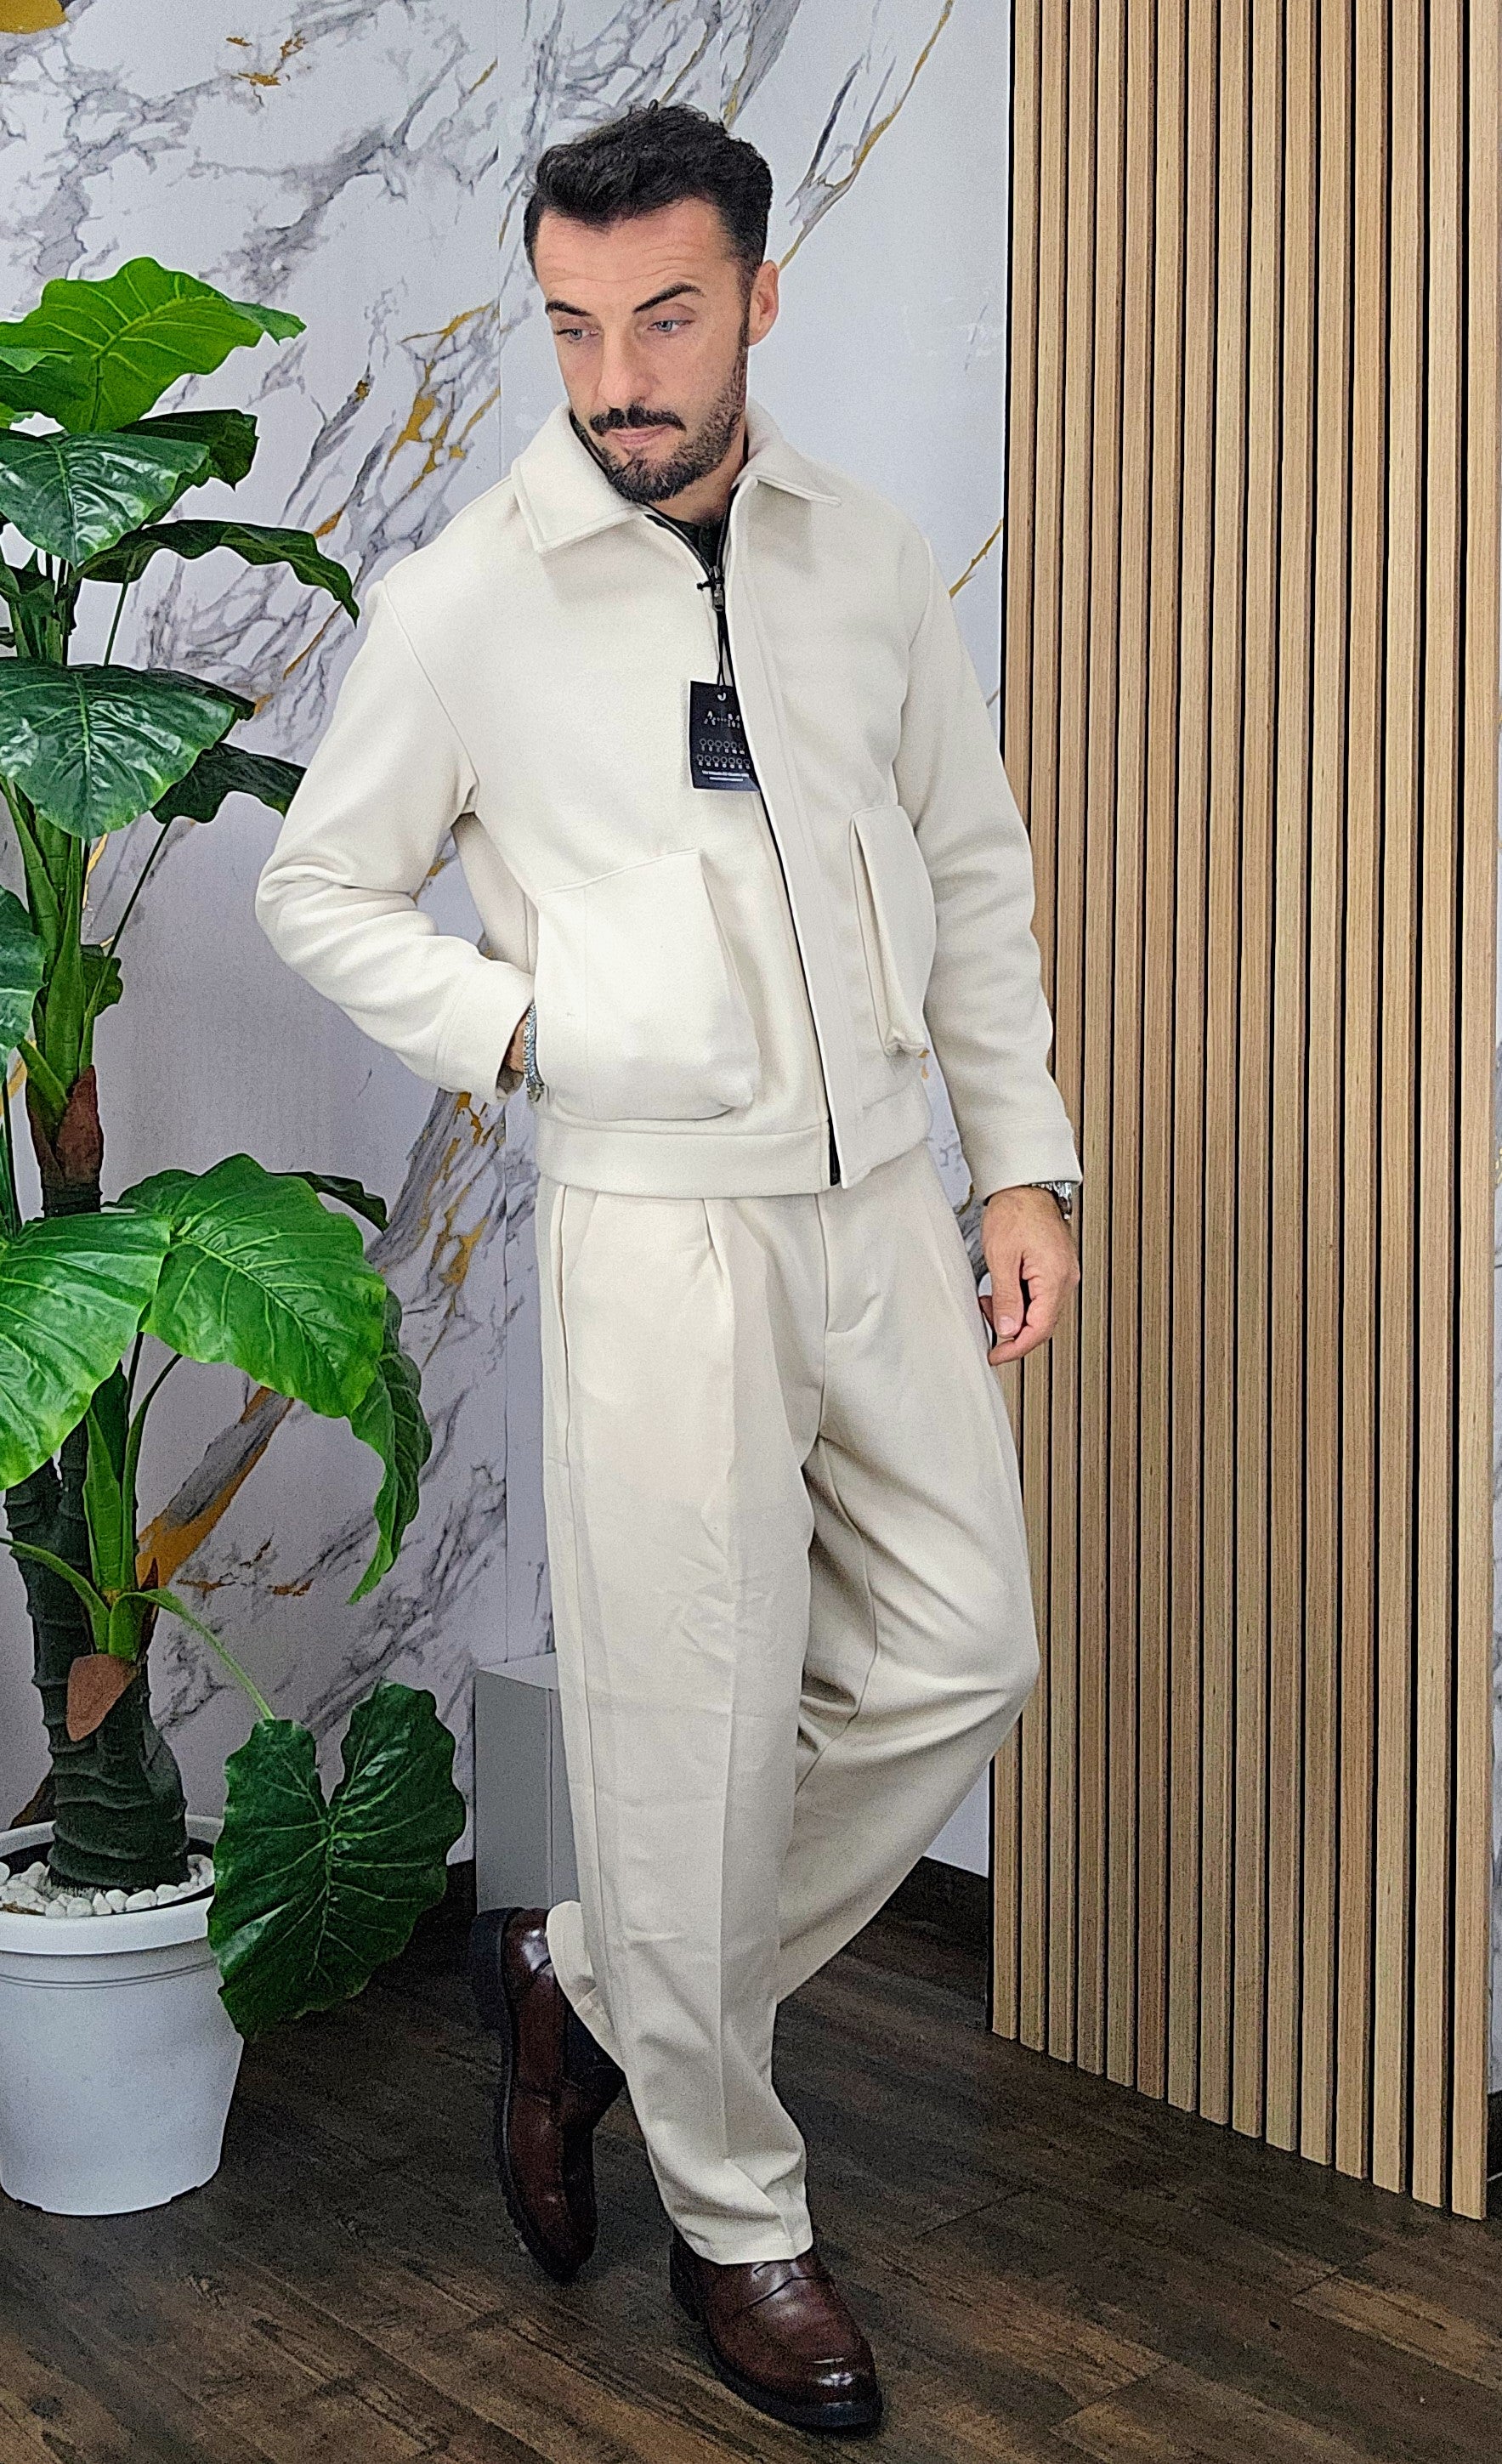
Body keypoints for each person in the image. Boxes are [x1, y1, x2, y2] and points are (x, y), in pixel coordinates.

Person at [254, 98, 1083, 2438]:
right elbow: (320, 889)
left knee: (966, 1648)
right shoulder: (469, 602)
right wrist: (529, 1031)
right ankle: (739, 2221)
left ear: (760, 301)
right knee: (687, 1742)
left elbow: (970, 867)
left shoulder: (867, 559)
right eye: (574, 326)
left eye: (667, 318)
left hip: (877, 1196)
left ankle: (587, 1983)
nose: (616, 377)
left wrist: (1020, 1164)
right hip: (654, 1224)